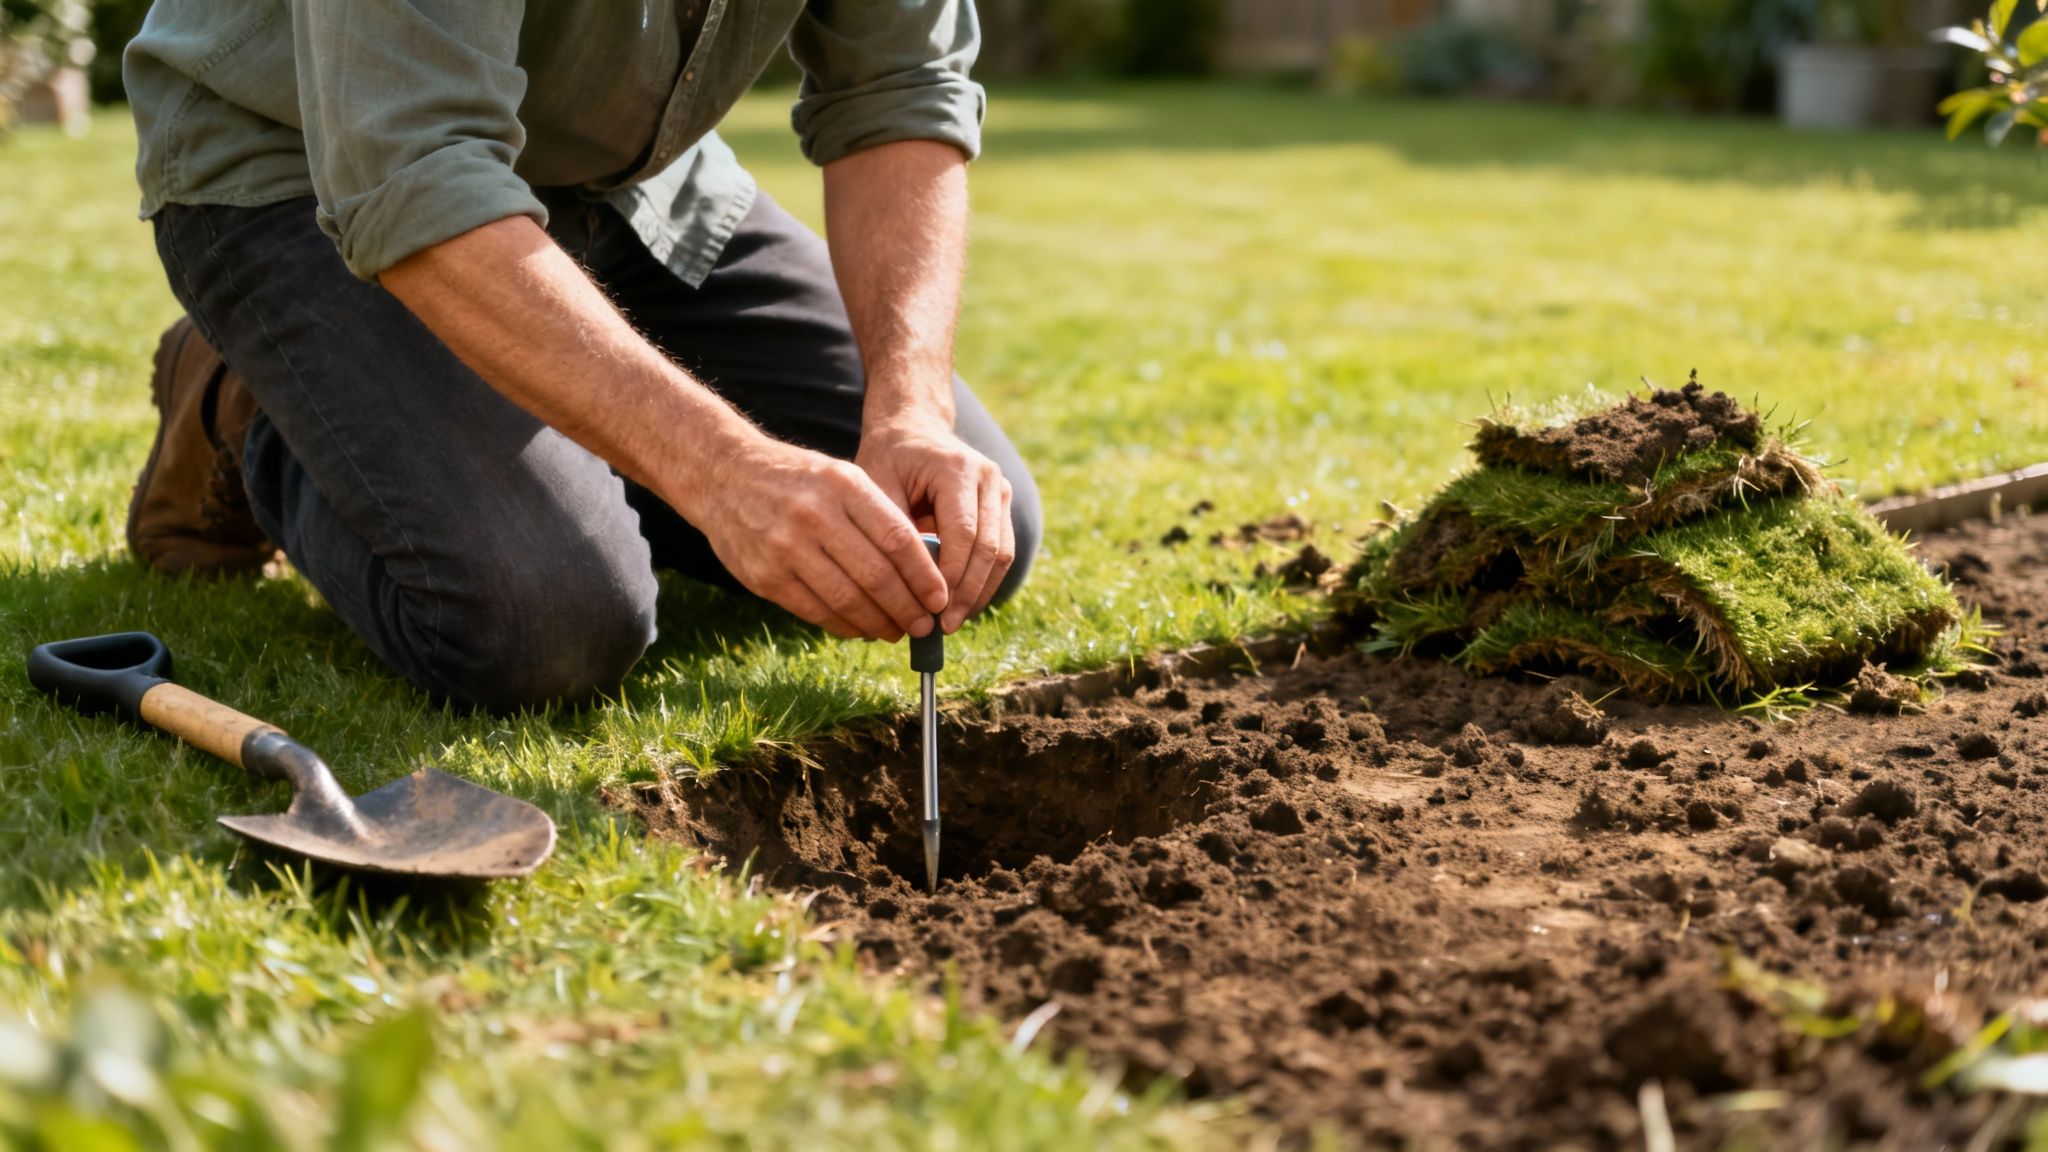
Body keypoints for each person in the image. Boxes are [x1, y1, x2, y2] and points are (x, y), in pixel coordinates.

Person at [119, 0, 1038, 712]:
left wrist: (909, 409)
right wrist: (722, 470)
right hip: (310, 171)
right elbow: (415, 165)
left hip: (626, 184)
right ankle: (244, 399)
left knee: (955, 537)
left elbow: (901, 90)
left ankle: (567, 432)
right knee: (548, 624)